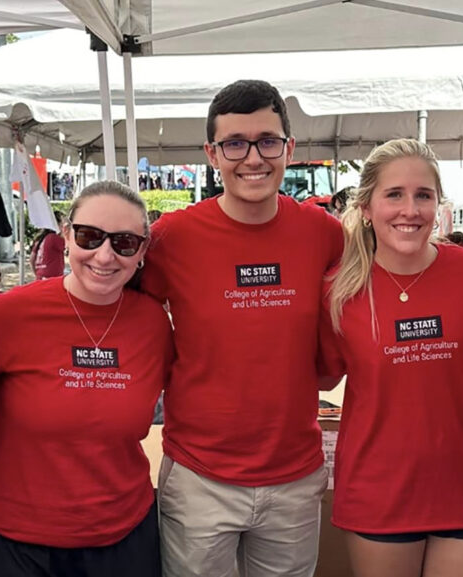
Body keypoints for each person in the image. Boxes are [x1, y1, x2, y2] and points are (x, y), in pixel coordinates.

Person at [141, 79, 343, 577]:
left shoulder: (324, 234)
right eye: (234, 143)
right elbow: (128, 324)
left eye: (267, 141)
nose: (253, 157)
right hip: (199, 477)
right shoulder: (172, 237)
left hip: (293, 476)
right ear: (212, 153)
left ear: (289, 148)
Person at [0, 182, 171, 577]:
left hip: (123, 536)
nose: (104, 255)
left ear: (142, 252)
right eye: (89, 236)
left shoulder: (153, 323)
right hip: (16, 540)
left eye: (124, 243)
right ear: (66, 236)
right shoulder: (6, 314)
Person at [320, 139, 463, 577]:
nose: (409, 210)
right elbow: (318, 376)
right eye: (394, 194)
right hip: (379, 490)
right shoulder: (339, 290)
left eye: (423, 196)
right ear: (366, 207)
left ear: (438, 205)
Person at [30, 211, 66, 280]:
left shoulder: (40, 238)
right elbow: (70, 246)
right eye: (62, 223)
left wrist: (37, 273)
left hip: (41, 276)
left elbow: (32, 259)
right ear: (57, 224)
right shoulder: (55, 238)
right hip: (53, 277)